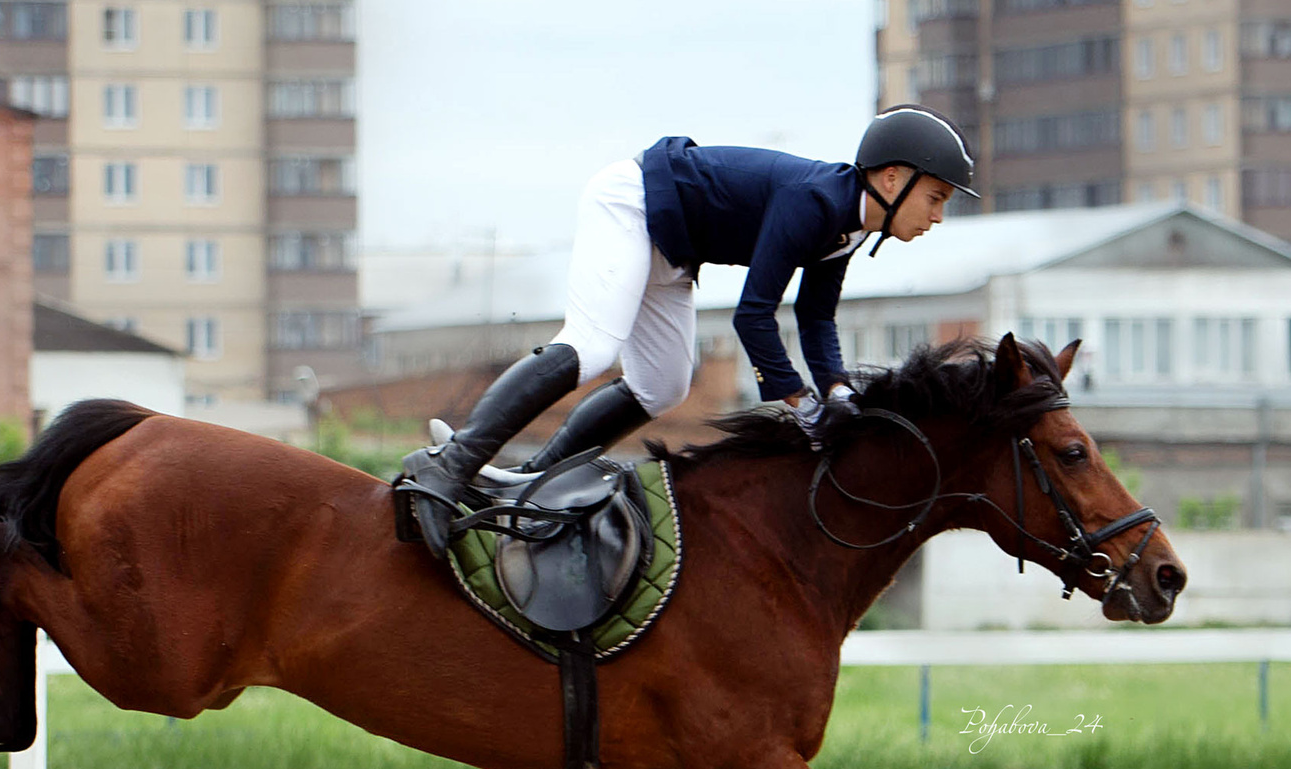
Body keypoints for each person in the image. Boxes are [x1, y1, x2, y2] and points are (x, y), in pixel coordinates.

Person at [403, 104, 980, 558]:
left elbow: (815, 317)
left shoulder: (848, 228)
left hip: (673, 247)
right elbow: (752, 316)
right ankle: (450, 465)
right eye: (935, 198)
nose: (937, 216)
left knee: (664, 385)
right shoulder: (813, 201)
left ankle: (532, 482)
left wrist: (839, 392)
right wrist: (802, 404)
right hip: (632, 205)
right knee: (593, 347)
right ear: (892, 178)